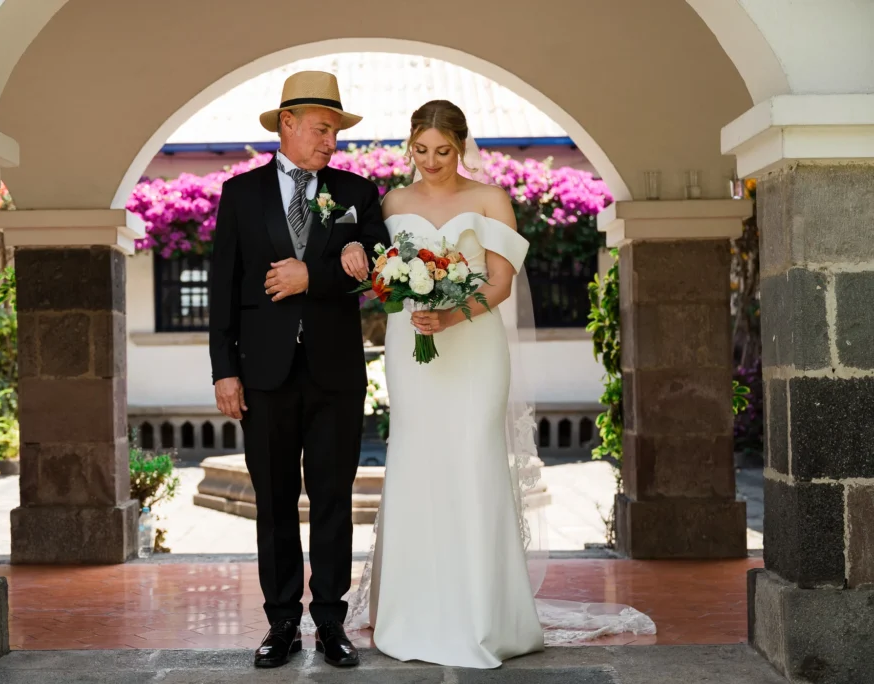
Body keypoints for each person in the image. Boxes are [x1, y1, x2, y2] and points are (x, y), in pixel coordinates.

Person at [346, 100, 655, 668]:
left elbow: (499, 284)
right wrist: (397, 292)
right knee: (415, 459)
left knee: (473, 459)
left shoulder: (491, 199)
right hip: (411, 348)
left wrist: (449, 315)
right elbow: (378, 273)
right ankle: (412, 610)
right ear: (409, 146)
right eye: (421, 150)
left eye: (443, 151)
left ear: (461, 146)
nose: (431, 161)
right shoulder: (391, 203)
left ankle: (483, 614)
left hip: (473, 345)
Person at [208, 70, 390, 669]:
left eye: (335, 131)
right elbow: (224, 287)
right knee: (275, 501)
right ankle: (282, 622)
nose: (331, 141)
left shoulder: (358, 192)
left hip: (337, 373)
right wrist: (224, 370)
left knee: (334, 500)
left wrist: (315, 275)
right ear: (287, 124)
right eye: (321, 129)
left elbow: (380, 266)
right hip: (263, 374)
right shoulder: (240, 194)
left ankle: (331, 622)